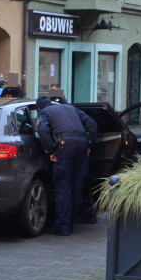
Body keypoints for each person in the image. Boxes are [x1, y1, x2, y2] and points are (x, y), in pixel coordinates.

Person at [36, 96, 98, 236]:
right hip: (81, 146)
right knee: (76, 186)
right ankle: (71, 223)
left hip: (65, 147)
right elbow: (92, 124)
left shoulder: (44, 113)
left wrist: (51, 150)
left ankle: (62, 227)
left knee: (63, 186)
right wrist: (89, 144)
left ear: (39, 107)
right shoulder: (71, 108)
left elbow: (43, 131)